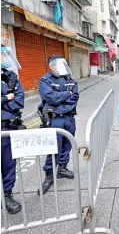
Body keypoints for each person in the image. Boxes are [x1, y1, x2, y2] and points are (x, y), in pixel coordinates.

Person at [38, 55, 79, 195]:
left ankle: (62, 168)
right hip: (54, 120)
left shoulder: (71, 81)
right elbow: (50, 97)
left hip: (68, 119)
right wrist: (65, 95)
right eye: (57, 65)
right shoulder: (45, 80)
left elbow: (74, 98)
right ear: (51, 66)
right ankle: (49, 175)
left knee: (67, 145)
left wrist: (59, 104)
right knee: (53, 148)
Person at [1, 45, 25, 214]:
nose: (6, 59)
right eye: (3, 55)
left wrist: (4, 102)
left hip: (8, 126)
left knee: (9, 163)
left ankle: (7, 195)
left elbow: (19, 100)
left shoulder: (11, 78)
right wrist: (4, 98)